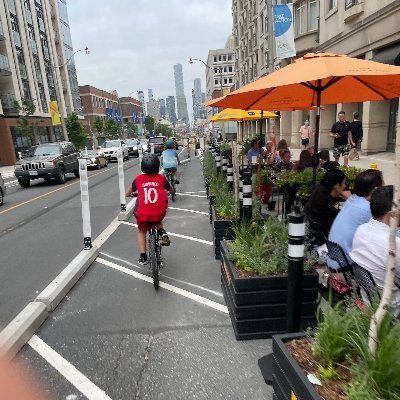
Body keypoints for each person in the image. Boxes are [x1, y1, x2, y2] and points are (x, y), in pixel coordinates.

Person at [350, 186, 400, 315]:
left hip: (370, 300)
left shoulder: (360, 230)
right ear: (391, 214)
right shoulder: (394, 245)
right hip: (392, 309)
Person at [327, 169, 384, 270]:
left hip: (334, 262)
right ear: (375, 190)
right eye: (383, 187)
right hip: (346, 270)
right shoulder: (368, 209)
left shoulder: (352, 200)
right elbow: (391, 235)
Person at [126, 153, 173, 265]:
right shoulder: (161, 178)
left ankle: (143, 256)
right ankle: (162, 232)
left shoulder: (138, 179)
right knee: (158, 214)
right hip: (159, 213)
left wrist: (132, 195)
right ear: (158, 166)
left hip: (143, 215)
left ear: (142, 166)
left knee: (142, 231)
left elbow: (127, 193)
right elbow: (171, 190)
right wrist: (168, 192)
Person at [304, 168, 351, 247]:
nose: (345, 186)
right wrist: (350, 201)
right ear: (336, 186)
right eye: (343, 183)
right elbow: (343, 223)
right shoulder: (325, 204)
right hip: (319, 246)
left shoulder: (319, 194)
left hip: (310, 239)